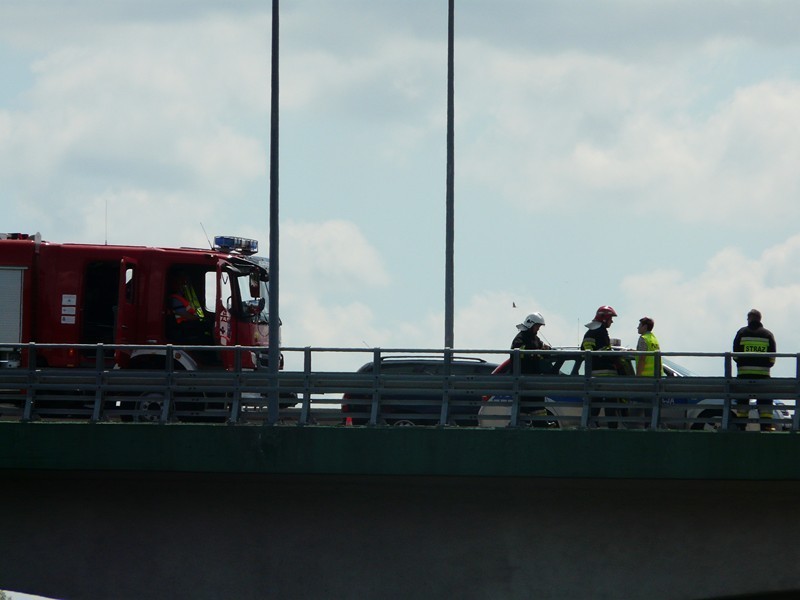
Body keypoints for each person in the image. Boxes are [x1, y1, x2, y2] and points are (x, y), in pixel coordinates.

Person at [732, 309, 777, 431]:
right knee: (765, 401)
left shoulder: (741, 333)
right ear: (760, 319)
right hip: (763, 377)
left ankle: (741, 425)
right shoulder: (768, 335)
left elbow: (735, 356)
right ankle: (766, 425)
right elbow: (772, 360)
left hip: (743, 376)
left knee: (742, 402)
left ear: (749, 319)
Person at [582, 305, 622, 428]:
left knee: (596, 401)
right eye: (610, 319)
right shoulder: (600, 331)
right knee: (610, 403)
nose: (612, 321)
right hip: (605, 375)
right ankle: (612, 427)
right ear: (604, 319)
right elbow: (604, 351)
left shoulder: (591, 332)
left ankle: (592, 423)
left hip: (595, 374)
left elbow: (585, 351)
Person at [511, 312, 551, 427]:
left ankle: (541, 423)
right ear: (530, 325)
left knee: (538, 401)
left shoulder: (534, 338)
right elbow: (520, 353)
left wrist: (546, 349)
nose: (538, 329)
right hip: (523, 377)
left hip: (534, 378)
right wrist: (536, 352)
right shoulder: (520, 338)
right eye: (537, 326)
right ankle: (522, 422)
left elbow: (540, 346)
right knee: (525, 400)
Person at [633, 316, 662, 428]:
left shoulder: (643, 338)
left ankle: (647, 426)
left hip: (645, 379)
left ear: (644, 327)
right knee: (653, 406)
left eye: (639, 325)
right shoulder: (653, 339)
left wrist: (638, 377)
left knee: (646, 406)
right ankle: (653, 425)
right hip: (655, 378)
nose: (637, 328)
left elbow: (642, 358)